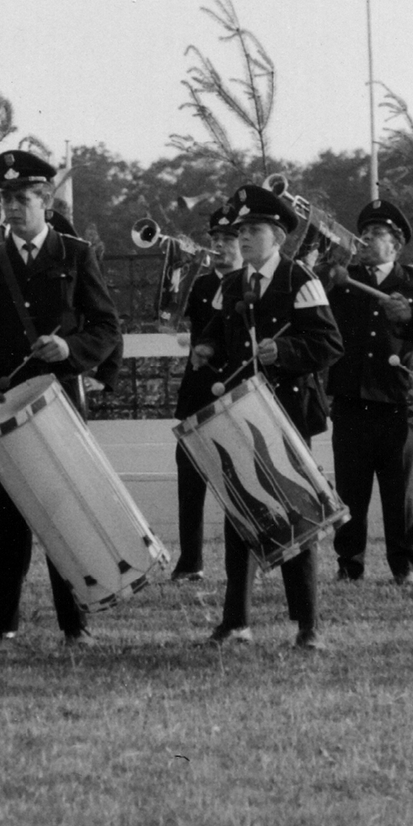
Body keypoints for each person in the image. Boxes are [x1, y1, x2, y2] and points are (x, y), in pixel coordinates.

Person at [0, 148, 123, 646]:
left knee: (64, 511)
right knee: (8, 513)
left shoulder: (77, 255)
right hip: (6, 399)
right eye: (5, 198)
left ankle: (74, 625)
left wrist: (70, 347)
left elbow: (106, 327)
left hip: (60, 399)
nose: (12, 208)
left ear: (46, 199)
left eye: (22, 198)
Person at [191, 183, 342, 648]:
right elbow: (217, 330)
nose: (246, 238)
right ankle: (236, 619)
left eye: (255, 230)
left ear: (278, 234)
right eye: (242, 231)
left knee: (298, 516)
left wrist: (287, 350)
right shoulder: (231, 284)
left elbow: (329, 344)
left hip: (289, 416)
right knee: (240, 516)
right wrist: (207, 347)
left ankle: (308, 626)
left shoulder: (300, 279)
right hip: (240, 415)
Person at [325, 199, 413, 586]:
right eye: (363, 234)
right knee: (350, 487)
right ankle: (349, 564)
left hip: (396, 401)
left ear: (396, 245)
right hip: (351, 399)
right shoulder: (341, 279)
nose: (366, 240)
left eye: (376, 235)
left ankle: (405, 567)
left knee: (399, 490)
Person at [170, 205, 245, 581]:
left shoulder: (251, 282)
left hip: (235, 389)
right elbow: (171, 316)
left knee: (241, 476)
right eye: (215, 240)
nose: (220, 246)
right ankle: (190, 560)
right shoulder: (198, 283)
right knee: (190, 476)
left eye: (229, 240)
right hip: (199, 389)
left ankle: (248, 556)